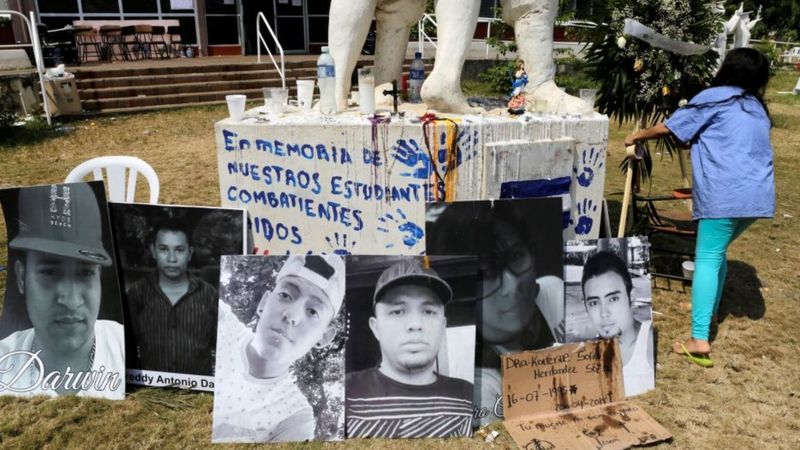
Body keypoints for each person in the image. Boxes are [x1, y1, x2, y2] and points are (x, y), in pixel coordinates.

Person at [624, 48, 774, 365]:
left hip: (726, 194)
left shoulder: (716, 97)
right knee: (716, 254)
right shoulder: (755, 107)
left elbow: (671, 127)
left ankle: (699, 339)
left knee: (705, 258)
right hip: (757, 197)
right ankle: (710, 311)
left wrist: (637, 135)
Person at [426, 201, 563, 425]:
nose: (513, 286)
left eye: (516, 256)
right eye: (487, 273)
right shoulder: (477, 385)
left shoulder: (553, 293)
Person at [0, 183, 124, 399]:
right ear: (21, 278)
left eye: (85, 273)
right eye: (49, 272)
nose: (70, 300)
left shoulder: (126, 349)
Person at [212, 255, 345, 443]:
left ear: (324, 336)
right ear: (264, 303)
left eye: (313, 311)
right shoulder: (220, 321)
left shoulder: (293, 418)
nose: (291, 315)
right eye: (285, 295)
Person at [345, 258, 473, 439]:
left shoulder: (469, 397)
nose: (415, 324)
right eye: (397, 311)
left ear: (442, 326)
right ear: (375, 328)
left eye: (428, 311)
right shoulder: (344, 394)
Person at [125, 219, 218, 376]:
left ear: (190, 253)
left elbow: (223, 346)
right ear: (153, 251)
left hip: (199, 391)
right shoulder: (137, 293)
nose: (172, 259)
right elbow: (127, 345)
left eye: (180, 250)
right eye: (163, 249)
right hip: (150, 388)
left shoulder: (209, 295)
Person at [581, 251, 654, 396]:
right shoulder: (583, 354)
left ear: (631, 297)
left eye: (613, 299)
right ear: (586, 307)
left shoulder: (649, 342)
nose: (604, 313)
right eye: (594, 302)